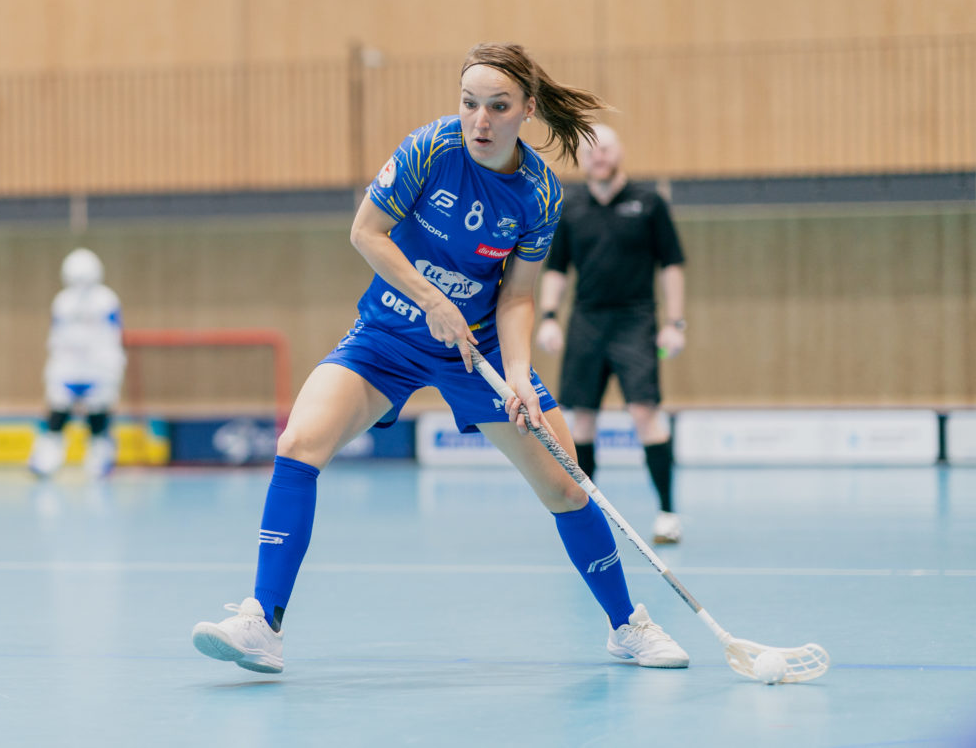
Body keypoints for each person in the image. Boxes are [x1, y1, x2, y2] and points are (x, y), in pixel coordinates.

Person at [191, 43, 688, 674]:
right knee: (298, 443)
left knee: (567, 488)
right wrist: (430, 298)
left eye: (498, 107)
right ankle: (263, 622)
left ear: (527, 110)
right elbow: (365, 232)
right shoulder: (429, 148)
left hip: (475, 350)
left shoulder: (538, 192)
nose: (480, 121)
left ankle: (626, 626)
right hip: (387, 338)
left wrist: (516, 380)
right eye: (469, 103)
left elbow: (519, 295)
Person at [535, 123, 687, 544]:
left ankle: (667, 513)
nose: (596, 156)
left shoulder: (649, 202)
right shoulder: (571, 207)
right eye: (588, 151)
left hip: (636, 320)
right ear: (580, 160)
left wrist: (675, 324)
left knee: (644, 413)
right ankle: (586, 513)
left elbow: (671, 264)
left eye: (603, 148)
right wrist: (549, 316)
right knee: (580, 420)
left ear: (618, 152)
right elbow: (557, 269)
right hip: (586, 320)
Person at [28, 248, 126, 479]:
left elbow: (114, 333)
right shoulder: (62, 301)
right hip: (67, 367)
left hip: (98, 367)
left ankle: (99, 456)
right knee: (58, 410)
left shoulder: (106, 299)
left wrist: (113, 365)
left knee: (98, 411)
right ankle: (48, 457)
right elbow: (56, 335)